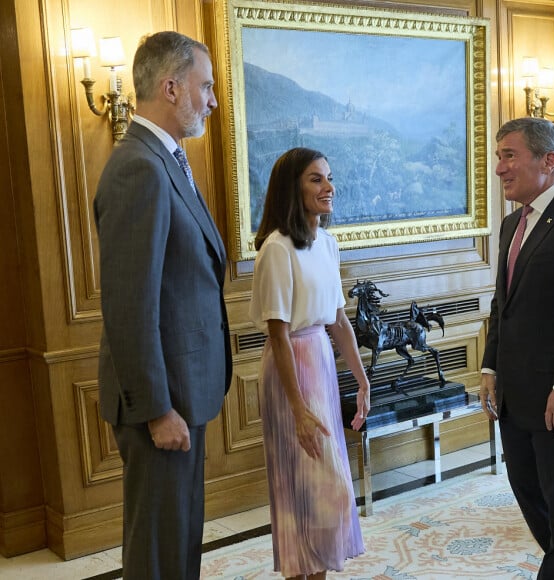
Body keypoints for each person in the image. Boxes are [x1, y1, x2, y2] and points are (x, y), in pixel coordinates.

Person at [93, 31, 232, 580]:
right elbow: (129, 306)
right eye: (206, 87)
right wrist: (157, 410)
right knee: (156, 553)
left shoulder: (167, 160)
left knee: (178, 543)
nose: (212, 100)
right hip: (162, 403)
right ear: (171, 88)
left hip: (184, 393)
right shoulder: (139, 167)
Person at [249, 147, 370, 579]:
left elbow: (338, 319)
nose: (329, 187)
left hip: (319, 361)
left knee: (327, 493)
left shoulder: (329, 243)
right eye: (316, 179)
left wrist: (361, 379)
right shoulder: (277, 250)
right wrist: (298, 408)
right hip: (291, 372)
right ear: (292, 188)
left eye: (329, 178)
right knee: (311, 490)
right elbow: (278, 334)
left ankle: (313, 573)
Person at [480, 117, 554, 579]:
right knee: (529, 493)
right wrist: (489, 369)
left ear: (549, 160)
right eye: (499, 155)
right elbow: (503, 304)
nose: (499, 167)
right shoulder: (508, 226)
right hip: (514, 396)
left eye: (509, 155)